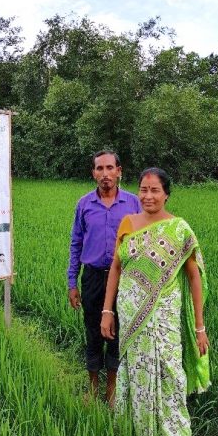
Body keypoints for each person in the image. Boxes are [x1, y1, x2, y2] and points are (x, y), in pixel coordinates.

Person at [100, 168, 210, 436]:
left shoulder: (179, 229)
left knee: (169, 371)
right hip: (129, 316)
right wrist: (107, 311)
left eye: (154, 190)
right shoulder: (127, 223)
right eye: (144, 190)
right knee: (134, 370)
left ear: (166, 195)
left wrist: (200, 326)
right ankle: (137, 432)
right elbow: (116, 267)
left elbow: (194, 276)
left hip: (163, 318)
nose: (148, 196)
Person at [68, 150, 141, 404]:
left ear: (119, 171)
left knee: (118, 334)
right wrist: (72, 282)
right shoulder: (84, 204)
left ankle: (111, 390)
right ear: (93, 173)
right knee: (93, 332)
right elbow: (76, 243)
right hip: (93, 280)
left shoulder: (133, 204)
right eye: (99, 169)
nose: (105, 174)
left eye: (110, 168)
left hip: (124, 280)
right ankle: (92, 387)